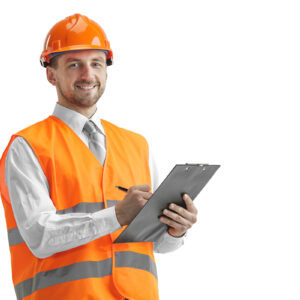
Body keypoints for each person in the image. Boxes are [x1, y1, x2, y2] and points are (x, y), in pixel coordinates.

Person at [0, 14, 198, 300]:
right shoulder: (27, 146)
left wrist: (175, 230)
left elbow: (157, 244)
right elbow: (39, 236)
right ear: (51, 73)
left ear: (106, 70)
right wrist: (117, 215)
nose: (87, 74)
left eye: (96, 63)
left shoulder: (137, 145)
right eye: (74, 65)